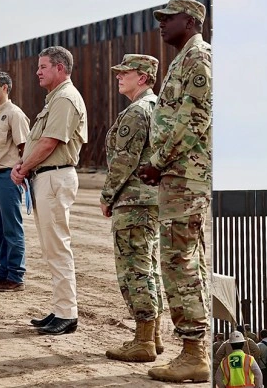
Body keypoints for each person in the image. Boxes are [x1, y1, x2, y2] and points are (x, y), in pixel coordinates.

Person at [138, 0, 212, 383]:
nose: (161, 25)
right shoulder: (183, 59)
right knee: (186, 261)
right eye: (160, 19)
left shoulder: (198, 58)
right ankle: (193, 349)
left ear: (192, 20)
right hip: (179, 175)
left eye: (169, 19)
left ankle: (194, 352)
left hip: (185, 176)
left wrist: (160, 160)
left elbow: (193, 118)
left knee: (178, 262)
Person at [10, 46, 87, 336]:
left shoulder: (65, 98)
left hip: (55, 177)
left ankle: (67, 313)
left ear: (60, 68)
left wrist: (24, 167)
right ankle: (60, 309)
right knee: (51, 248)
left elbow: (49, 142)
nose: (38, 72)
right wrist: (24, 165)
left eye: (43, 66)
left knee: (57, 247)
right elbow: (38, 142)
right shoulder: (54, 99)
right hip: (47, 177)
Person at [97, 54, 163, 360]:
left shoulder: (137, 112)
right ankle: (155, 336)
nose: (118, 76)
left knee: (134, 271)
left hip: (134, 202)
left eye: (126, 72)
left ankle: (143, 341)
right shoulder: (158, 107)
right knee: (148, 269)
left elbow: (124, 162)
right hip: (150, 201)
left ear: (144, 77)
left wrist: (107, 196)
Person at [0, 71, 30, 292]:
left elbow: (25, 148)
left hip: (7, 176)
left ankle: (15, 276)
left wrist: (21, 173)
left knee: (12, 228)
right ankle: (2, 273)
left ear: (5, 88)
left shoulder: (14, 114)